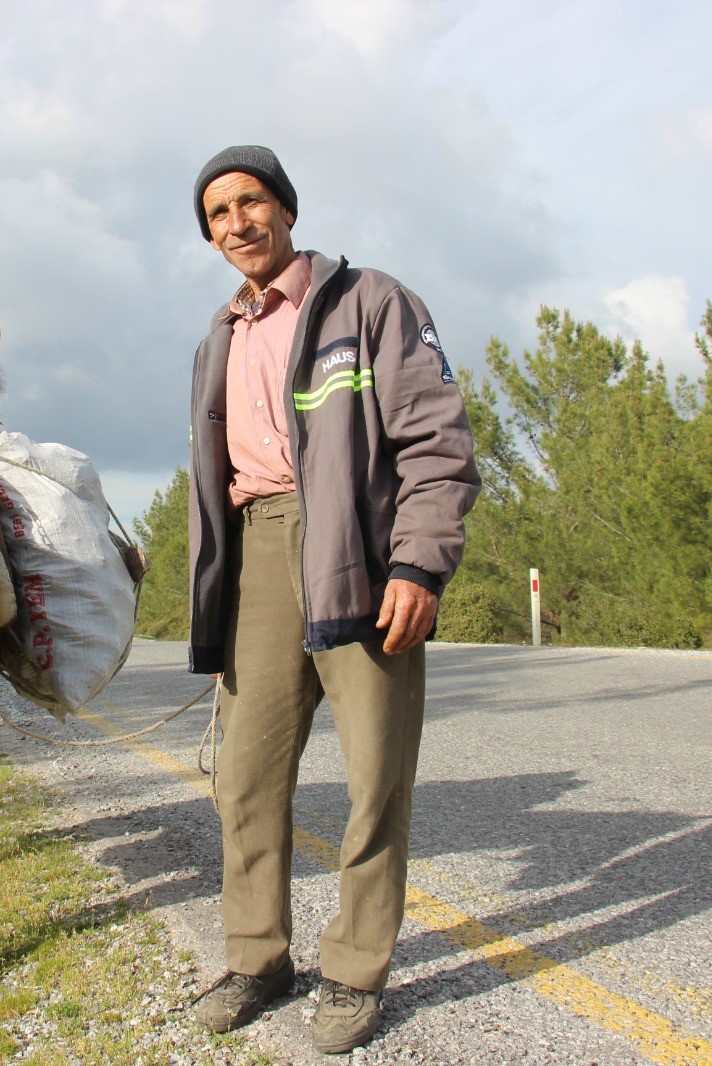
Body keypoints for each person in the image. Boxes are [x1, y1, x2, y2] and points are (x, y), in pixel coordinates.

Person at [185, 145, 480, 1054]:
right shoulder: (217, 340)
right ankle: (255, 956)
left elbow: (437, 439)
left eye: (251, 202)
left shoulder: (372, 303)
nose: (238, 223)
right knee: (245, 778)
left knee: (374, 778)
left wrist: (419, 565)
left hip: (359, 554)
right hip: (259, 557)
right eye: (218, 214)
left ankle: (354, 973)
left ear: (286, 207)